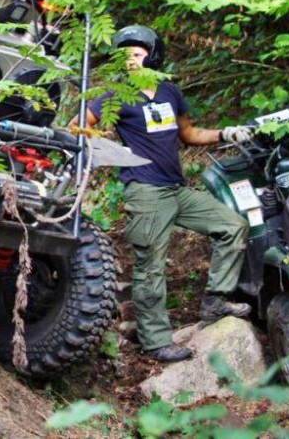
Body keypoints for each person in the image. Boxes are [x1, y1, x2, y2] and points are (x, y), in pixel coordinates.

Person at [72, 24, 254, 363]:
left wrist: (226, 133)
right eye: (125, 55)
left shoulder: (170, 92)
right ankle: (155, 342)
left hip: (176, 189)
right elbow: (77, 127)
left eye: (137, 54)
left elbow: (189, 134)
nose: (131, 60)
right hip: (145, 191)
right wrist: (109, 150)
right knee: (150, 268)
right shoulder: (115, 94)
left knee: (233, 226)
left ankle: (215, 300)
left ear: (153, 56)